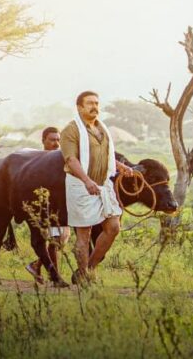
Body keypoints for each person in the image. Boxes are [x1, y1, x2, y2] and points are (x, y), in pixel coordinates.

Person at [60, 91, 133, 284]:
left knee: (114, 227)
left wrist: (121, 166)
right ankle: (85, 276)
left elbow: (105, 155)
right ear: (79, 107)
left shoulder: (102, 128)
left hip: (103, 185)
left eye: (97, 103)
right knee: (84, 234)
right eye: (90, 103)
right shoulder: (71, 130)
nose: (95, 107)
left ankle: (87, 271)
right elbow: (71, 159)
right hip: (81, 186)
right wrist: (86, 180)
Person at [25, 127, 71, 285]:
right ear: (43, 141)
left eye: (58, 140)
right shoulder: (39, 162)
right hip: (42, 208)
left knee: (59, 240)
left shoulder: (60, 160)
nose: (56, 143)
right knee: (55, 241)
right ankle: (54, 276)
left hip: (58, 208)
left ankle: (36, 266)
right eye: (52, 140)